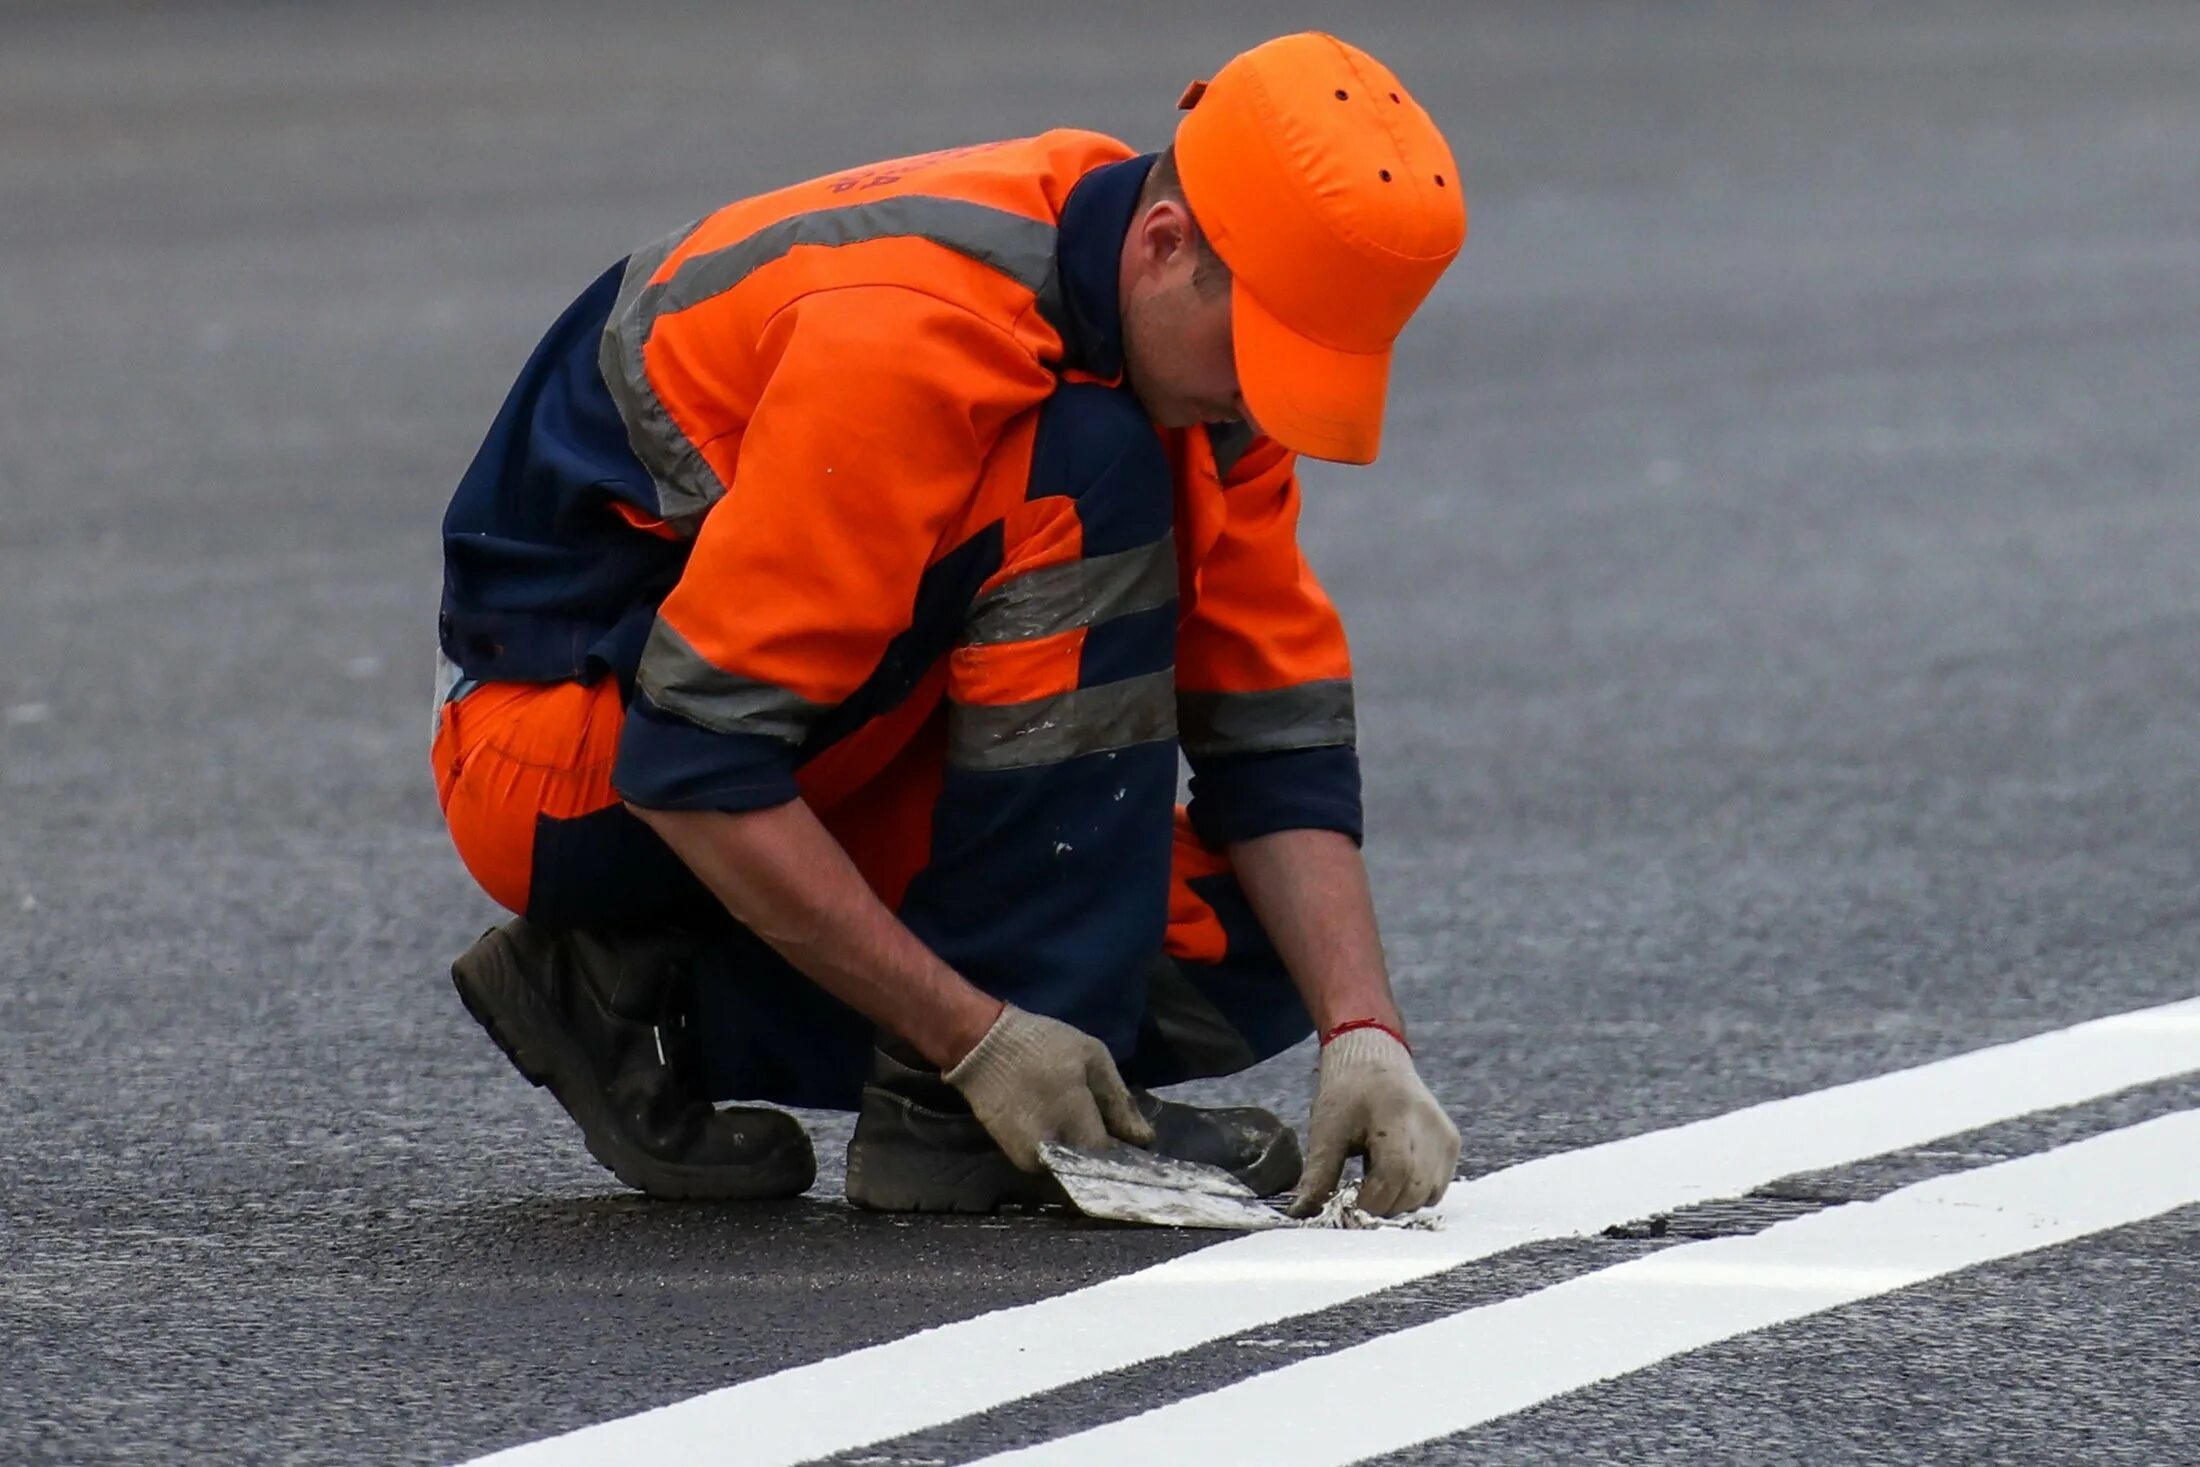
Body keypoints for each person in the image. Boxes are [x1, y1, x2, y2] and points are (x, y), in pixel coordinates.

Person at [432, 31, 1464, 1218]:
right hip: (567, 759)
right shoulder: (909, 330)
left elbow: (1272, 735)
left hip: (817, 730)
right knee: (1082, 473)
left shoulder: (1179, 335)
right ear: (1167, 244)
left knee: (1252, 950)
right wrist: (975, 1038)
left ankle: (628, 996)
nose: (1260, 400)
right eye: (1262, 356)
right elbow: (695, 758)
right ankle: (964, 1115)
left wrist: (1363, 1031)